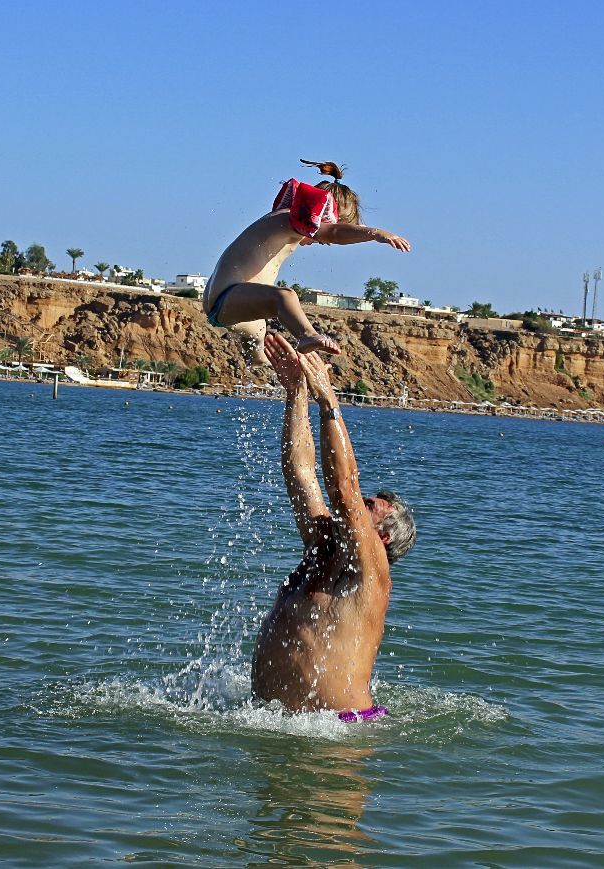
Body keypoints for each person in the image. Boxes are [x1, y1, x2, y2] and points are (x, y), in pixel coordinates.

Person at [252, 334, 416, 720]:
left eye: (371, 507)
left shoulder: (373, 570)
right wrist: (296, 392)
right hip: (279, 725)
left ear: (384, 535)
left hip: (341, 732)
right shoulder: (324, 546)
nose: (360, 507)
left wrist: (329, 401)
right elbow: (300, 472)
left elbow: (344, 488)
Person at [204, 160, 411, 365]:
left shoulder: (282, 225)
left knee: (260, 332)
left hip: (229, 303)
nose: (319, 242)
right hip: (226, 297)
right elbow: (334, 232)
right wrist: (376, 234)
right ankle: (306, 335)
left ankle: (266, 361)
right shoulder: (288, 218)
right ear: (322, 216)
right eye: (320, 238)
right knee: (285, 297)